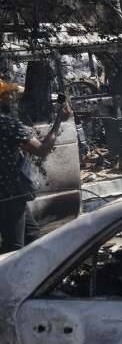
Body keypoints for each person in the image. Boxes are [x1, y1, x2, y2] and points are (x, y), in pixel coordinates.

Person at [0, 80, 71, 253]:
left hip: (10, 194)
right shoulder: (6, 124)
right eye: (7, 96)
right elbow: (42, 149)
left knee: (31, 235)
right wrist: (58, 121)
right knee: (14, 246)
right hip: (8, 194)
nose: (12, 99)